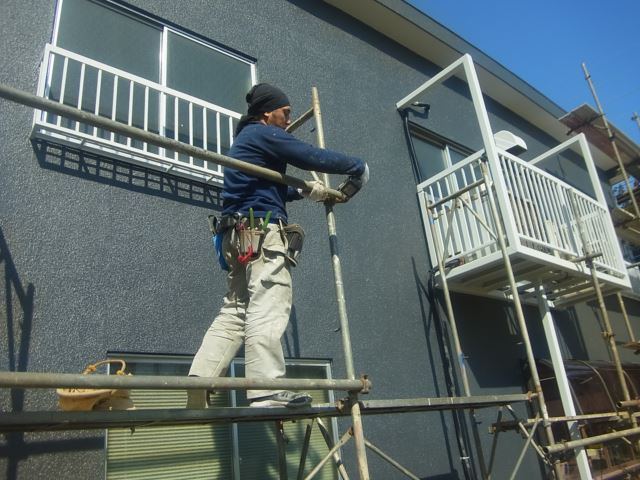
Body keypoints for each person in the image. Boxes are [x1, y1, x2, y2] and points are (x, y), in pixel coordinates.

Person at [188, 83, 368, 408]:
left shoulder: (244, 142)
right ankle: (266, 390)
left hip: (237, 232)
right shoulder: (263, 133)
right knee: (268, 301)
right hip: (260, 230)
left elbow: (267, 187)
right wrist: (357, 167)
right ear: (266, 113)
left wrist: (301, 191)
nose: (287, 120)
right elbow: (310, 155)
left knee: (237, 310)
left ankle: (199, 383)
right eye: (285, 113)